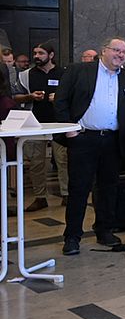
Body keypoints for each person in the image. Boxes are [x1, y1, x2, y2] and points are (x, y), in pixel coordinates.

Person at [54, 38, 125, 255]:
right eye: (116, 50)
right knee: (79, 188)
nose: (120, 55)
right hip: (83, 138)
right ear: (104, 51)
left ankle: (104, 230)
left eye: (124, 52)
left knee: (109, 188)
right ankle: (72, 236)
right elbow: (61, 101)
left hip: (113, 141)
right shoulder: (79, 71)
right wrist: (69, 129)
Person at [17, 43, 68, 213]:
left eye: (41, 53)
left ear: (51, 55)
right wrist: (29, 97)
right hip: (34, 123)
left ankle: (66, 195)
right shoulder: (26, 75)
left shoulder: (64, 73)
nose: (36, 56)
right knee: (36, 163)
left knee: (63, 160)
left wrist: (59, 98)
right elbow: (15, 96)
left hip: (58, 123)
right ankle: (40, 197)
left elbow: (73, 95)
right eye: (35, 53)